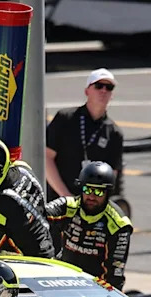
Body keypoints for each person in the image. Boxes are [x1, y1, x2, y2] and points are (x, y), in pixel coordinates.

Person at [45, 161, 132, 290]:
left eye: (98, 192)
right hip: (63, 282)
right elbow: (40, 213)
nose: (91, 196)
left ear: (108, 193)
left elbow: (115, 276)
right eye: (87, 189)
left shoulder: (119, 225)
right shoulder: (69, 207)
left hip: (94, 289)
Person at [45, 68, 124, 200]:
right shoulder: (65, 118)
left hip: (91, 205)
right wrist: (65, 196)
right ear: (87, 91)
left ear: (112, 95)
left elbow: (112, 175)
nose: (103, 91)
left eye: (109, 87)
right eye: (98, 86)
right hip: (58, 199)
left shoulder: (114, 133)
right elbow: (47, 158)